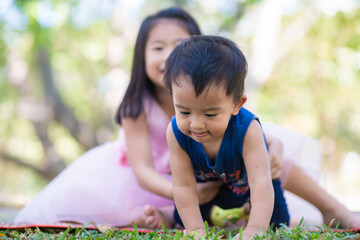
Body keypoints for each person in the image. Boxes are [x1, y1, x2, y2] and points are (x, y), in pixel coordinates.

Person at [14, 7, 360, 230]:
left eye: (178, 45)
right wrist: (189, 192)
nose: (168, 56)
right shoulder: (137, 106)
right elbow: (145, 171)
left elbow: (245, 135)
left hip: (223, 167)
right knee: (158, 204)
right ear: (141, 54)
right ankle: (165, 216)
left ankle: (335, 209)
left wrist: (273, 147)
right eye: (158, 47)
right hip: (162, 179)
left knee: (273, 161)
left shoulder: (222, 100)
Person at [164, 35, 289, 239]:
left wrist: (256, 230)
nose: (196, 124)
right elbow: (183, 186)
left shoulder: (249, 129)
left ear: (236, 105)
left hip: (248, 185)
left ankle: (250, 214)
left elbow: (260, 182)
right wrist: (196, 231)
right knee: (182, 219)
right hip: (210, 189)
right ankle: (228, 217)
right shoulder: (175, 132)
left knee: (279, 226)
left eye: (210, 114)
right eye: (184, 112)